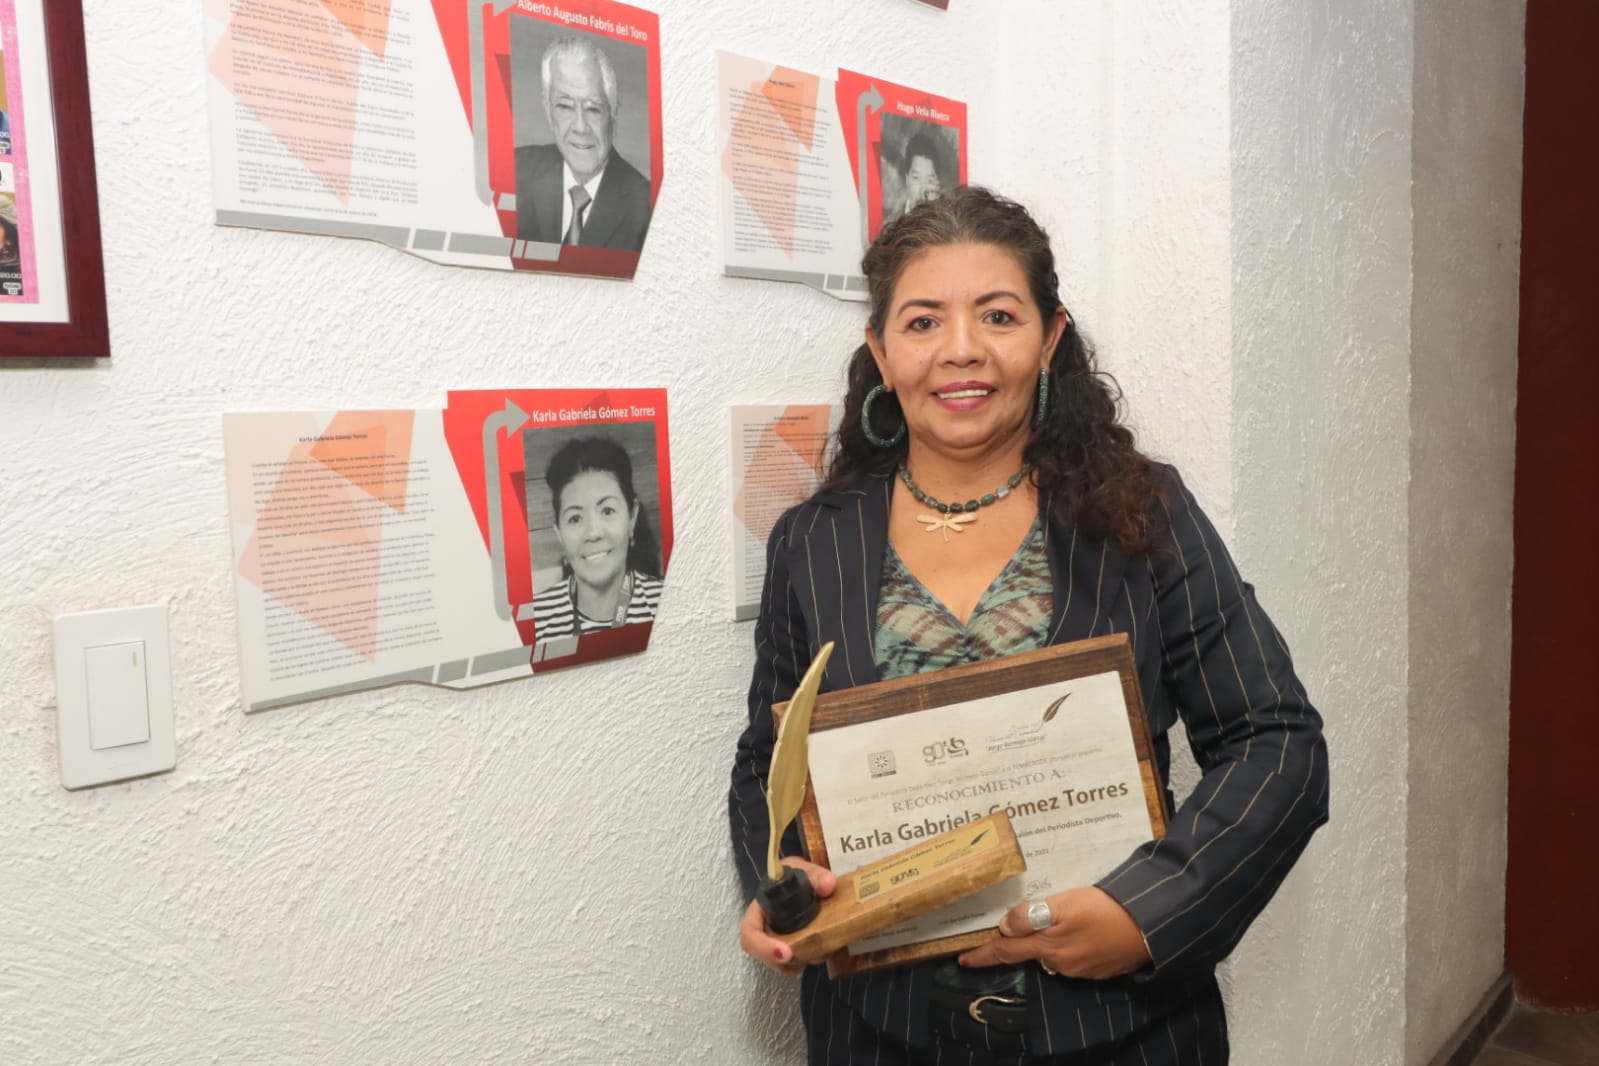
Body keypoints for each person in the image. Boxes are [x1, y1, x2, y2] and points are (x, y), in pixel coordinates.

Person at [728, 186, 1329, 1064]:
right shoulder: (812, 542)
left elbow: (1274, 739)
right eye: (922, 322)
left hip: (1119, 1027)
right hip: (877, 1030)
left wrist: (1144, 912)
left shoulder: (1141, 513)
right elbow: (768, 761)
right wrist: (779, 882)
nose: (960, 349)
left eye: (998, 316)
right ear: (881, 351)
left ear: (1048, 339)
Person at [514, 36, 652, 252]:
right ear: (548, 110)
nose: (580, 127)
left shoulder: (646, 207)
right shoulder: (514, 171)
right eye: (565, 106)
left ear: (614, 113)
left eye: (593, 109)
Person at [529, 436, 662, 639]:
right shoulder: (535, 619)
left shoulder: (666, 602)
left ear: (632, 518)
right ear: (559, 535)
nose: (593, 533)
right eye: (575, 518)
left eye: (607, 511)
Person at [887, 132, 945, 222]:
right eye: (916, 178)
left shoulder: (946, 224)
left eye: (930, 181)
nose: (922, 191)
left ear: (938, 185)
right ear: (907, 180)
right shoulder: (890, 224)